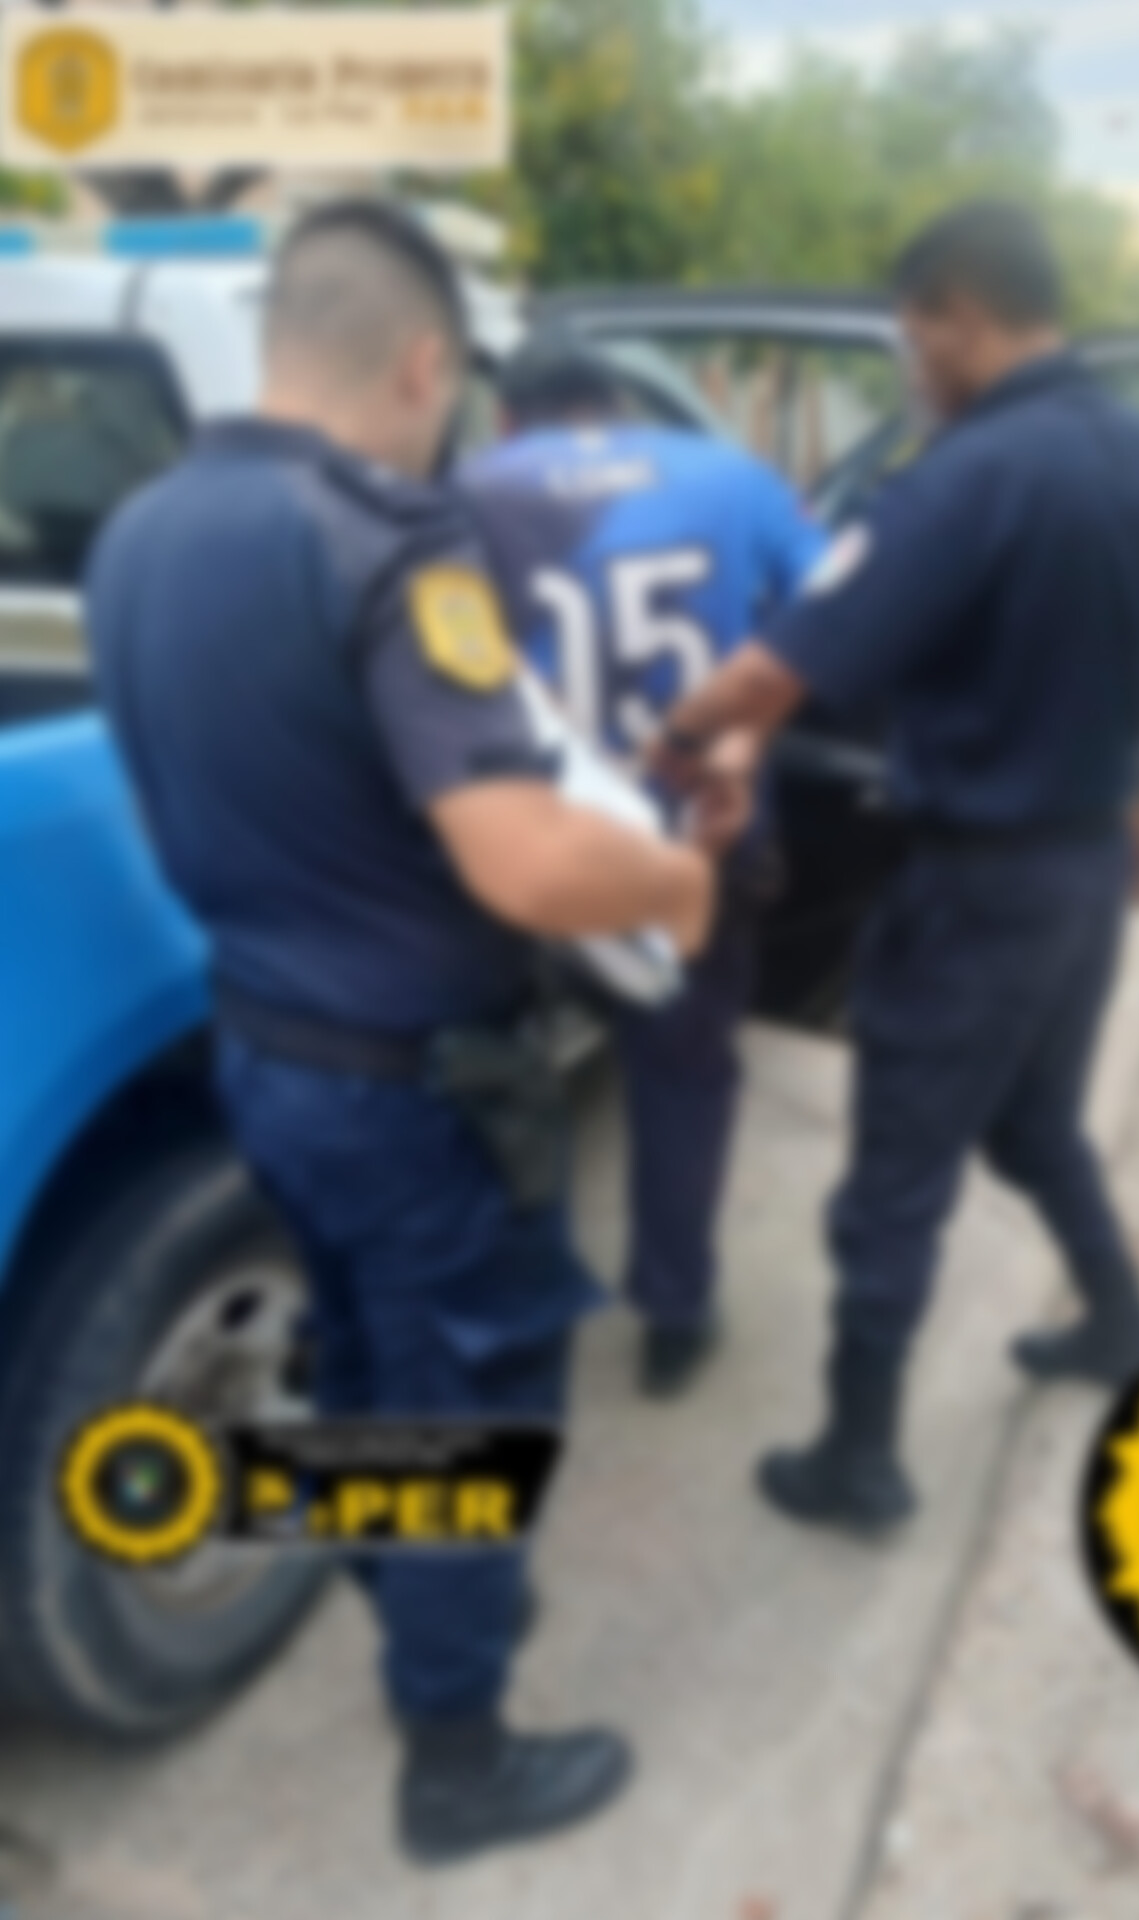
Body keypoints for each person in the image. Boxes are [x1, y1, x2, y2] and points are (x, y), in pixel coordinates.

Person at [88, 200, 713, 1865]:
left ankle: (424, 1603)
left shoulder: (139, 529)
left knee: (369, 1369)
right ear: (424, 361)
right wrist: (677, 882)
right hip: (416, 1094)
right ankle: (457, 1760)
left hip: (262, 1056)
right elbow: (525, 861)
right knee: (479, 1404)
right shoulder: (388, 541)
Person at [650, 199, 1139, 1539]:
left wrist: (660, 748)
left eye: (913, 340)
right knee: (1032, 1126)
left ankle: (857, 1460)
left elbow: (769, 671)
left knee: (890, 1189)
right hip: (1085, 872)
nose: (909, 367)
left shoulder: (959, 479)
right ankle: (1120, 1323)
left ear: (962, 317)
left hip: (972, 892)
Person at [464, 344, 823, 1397]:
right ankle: (673, 1312)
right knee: (681, 1080)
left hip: (531, 843)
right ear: (619, 406)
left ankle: (503, 1310)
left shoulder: (465, 495)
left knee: (498, 1074)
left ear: (506, 418)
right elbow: (828, 621)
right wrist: (744, 741)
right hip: (692, 840)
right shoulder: (733, 476)